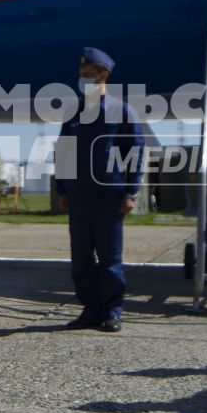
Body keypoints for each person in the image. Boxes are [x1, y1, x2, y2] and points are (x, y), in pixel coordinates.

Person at [53, 47, 143, 332]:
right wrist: (62, 190)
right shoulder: (74, 112)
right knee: (80, 258)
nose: (82, 79)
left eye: (88, 75)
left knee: (110, 258)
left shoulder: (122, 111)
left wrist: (131, 192)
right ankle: (90, 310)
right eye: (80, 75)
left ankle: (112, 311)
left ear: (103, 75)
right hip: (79, 195)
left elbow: (135, 152)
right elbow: (64, 151)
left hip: (109, 195)